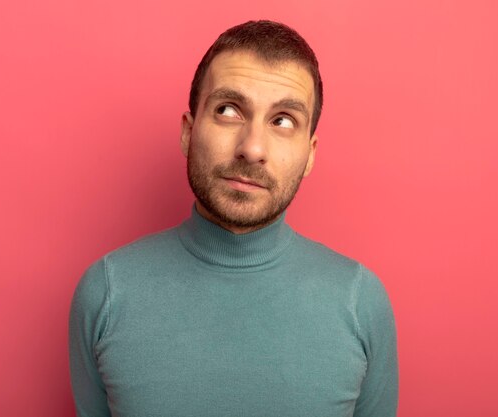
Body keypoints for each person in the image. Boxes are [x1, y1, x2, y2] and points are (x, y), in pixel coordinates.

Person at [69, 20, 398, 417]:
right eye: (228, 110)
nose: (253, 148)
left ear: (310, 153)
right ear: (189, 132)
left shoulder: (361, 302)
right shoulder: (106, 293)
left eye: (283, 120)